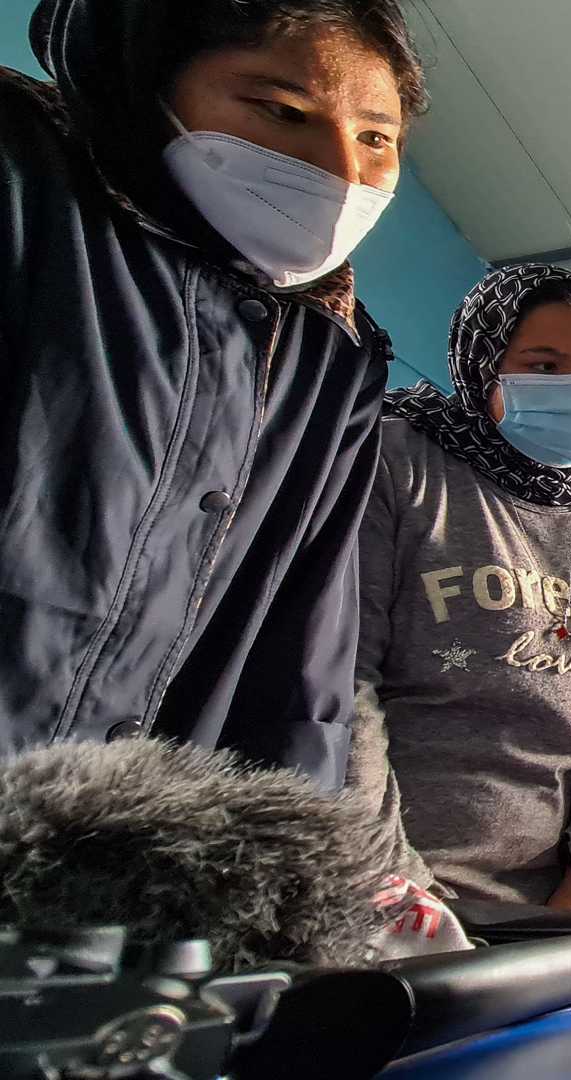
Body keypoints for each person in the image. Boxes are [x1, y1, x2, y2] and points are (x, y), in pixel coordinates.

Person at [1, 0, 423, 785]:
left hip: (126, 827)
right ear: (147, 84)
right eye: (281, 110)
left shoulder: (331, 348)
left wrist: (296, 838)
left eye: (376, 138)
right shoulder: (23, 183)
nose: (340, 172)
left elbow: (302, 656)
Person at [349, 264, 571, 909]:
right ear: (482, 368)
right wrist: (393, 884)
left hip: (544, 900)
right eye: (545, 366)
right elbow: (342, 680)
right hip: (378, 882)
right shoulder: (394, 461)